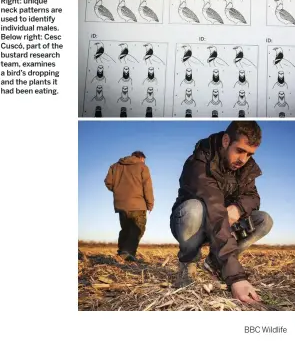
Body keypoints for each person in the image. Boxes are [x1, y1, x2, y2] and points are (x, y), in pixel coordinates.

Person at [170, 121, 273, 304]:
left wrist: (237, 208)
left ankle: (214, 262)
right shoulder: (199, 162)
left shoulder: (246, 168)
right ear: (226, 140)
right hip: (194, 223)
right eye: (240, 150)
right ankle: (188, 263)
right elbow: (214, 210)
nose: (243, 159)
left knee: (263, 220)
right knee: (194, 209)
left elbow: (253, 198)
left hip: (222, 224)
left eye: (249, 154)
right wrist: (235, 277)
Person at [104, 150, 154, 262]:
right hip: (137, 204)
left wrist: (118, 191)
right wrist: (150, 203)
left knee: (125, 229)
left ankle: (122, 252)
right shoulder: (142, 167)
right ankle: (127, 253)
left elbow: (108, 182)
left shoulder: (115, 166)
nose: (144, 162)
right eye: (143, 161)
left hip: (121, 204)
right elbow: (147, 187)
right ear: (140, 158)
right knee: (137, 229)